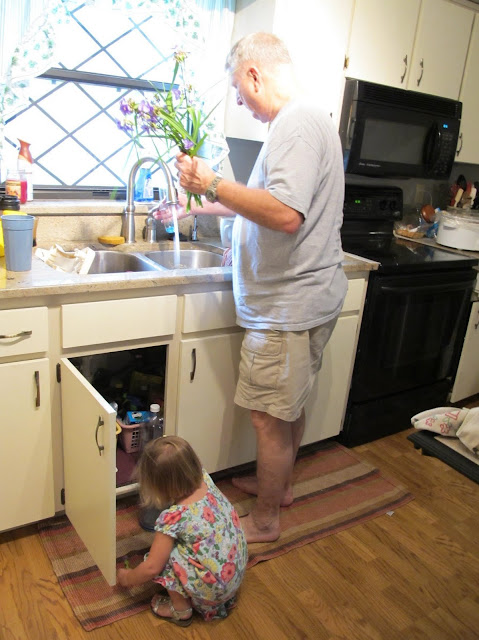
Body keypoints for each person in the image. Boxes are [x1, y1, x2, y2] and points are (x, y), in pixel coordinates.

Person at [155, 32, 347, 544]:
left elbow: (284, 215)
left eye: (238, 91)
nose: (239, 102)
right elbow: (263, 200)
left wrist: (212, 182)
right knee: (287, 409)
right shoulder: (303, 120)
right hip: (302, 297)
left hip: (287, 305)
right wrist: (196, 205)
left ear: (254, 75)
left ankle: (264, 522)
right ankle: (277, 490)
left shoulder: (297, 125)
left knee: (267, 418)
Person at [116, 435, 247, 625]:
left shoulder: (174, 517)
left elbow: (152, 567)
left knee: (163, 558)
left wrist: (128, 578)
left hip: (214, 590)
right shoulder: (206, 480)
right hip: (234, 573)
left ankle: (181, 609)